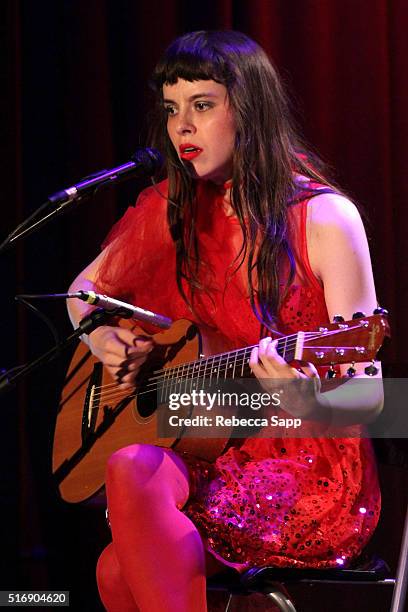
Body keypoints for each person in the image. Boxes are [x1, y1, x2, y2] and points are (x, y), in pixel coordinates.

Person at [67, 31, 383, 612]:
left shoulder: (326, 218)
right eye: (171, 110)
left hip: (303, 464)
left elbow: (372, 397)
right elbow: (83, 289)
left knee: (117, 570)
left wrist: (310, 402)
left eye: (203, 106)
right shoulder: (174, 210)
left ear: (250, 110)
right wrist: (100, 333)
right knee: (129, 464)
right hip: (208, 439)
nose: (181, 127)